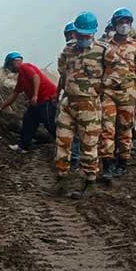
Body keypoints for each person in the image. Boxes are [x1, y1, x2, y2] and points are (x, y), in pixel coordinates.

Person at [52, 11, 107, 197]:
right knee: (62, 142)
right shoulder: (68, 51)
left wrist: (99, 90)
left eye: (86, 34)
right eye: (80, 34)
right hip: (68, 103)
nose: (83, 38)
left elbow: (118, 75)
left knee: (88, 144)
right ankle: (61, 179)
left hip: (89, 105)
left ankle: (90, 182)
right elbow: (62, 72)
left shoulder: (104, 52)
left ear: (93, 33)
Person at [98, 8, 136, 181]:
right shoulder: (104, 46)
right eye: (121, 22)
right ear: (115, 24)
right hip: (108, 93)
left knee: (125, 129)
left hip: (128, 93)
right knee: (107, 129)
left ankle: (122, 163)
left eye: (127, 22)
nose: (124, 25)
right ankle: (107, 165)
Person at [0, 52, 58, 152]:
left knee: (49, 123)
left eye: (10, 66)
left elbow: (36, 77)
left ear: (14, 62)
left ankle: (65, 145)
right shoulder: (21, 77)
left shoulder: (25, 67)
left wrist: (35, 96)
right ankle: (24, 146)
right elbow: (14, 94)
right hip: (37, 101)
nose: (10, 69)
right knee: (28, 120)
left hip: (47, 98)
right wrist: (1, 107)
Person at [59, 22, 81, 170]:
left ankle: (74, 159)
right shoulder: (66, 52)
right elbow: (63, 76)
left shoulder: (85, 51)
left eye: (71, 34)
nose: (70, 37)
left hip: (82, 97)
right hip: (70, 95)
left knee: (75, 129)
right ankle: (72, 159)